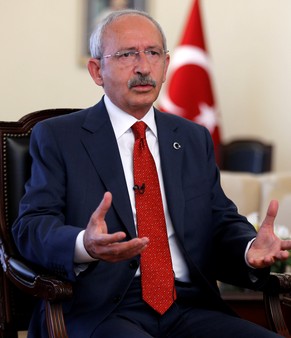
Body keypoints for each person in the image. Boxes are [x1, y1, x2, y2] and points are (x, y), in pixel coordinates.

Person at [12, 9, 291, 338]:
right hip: (102, 310)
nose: (143, 67)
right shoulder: (59, 138)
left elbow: (219, 220)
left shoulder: (191, 137)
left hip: (189, 305)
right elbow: (31, 228)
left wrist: (248, 248)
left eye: (153, 53)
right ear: (96, 70)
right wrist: (83, 244)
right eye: (127, 54)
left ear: (166, 64)